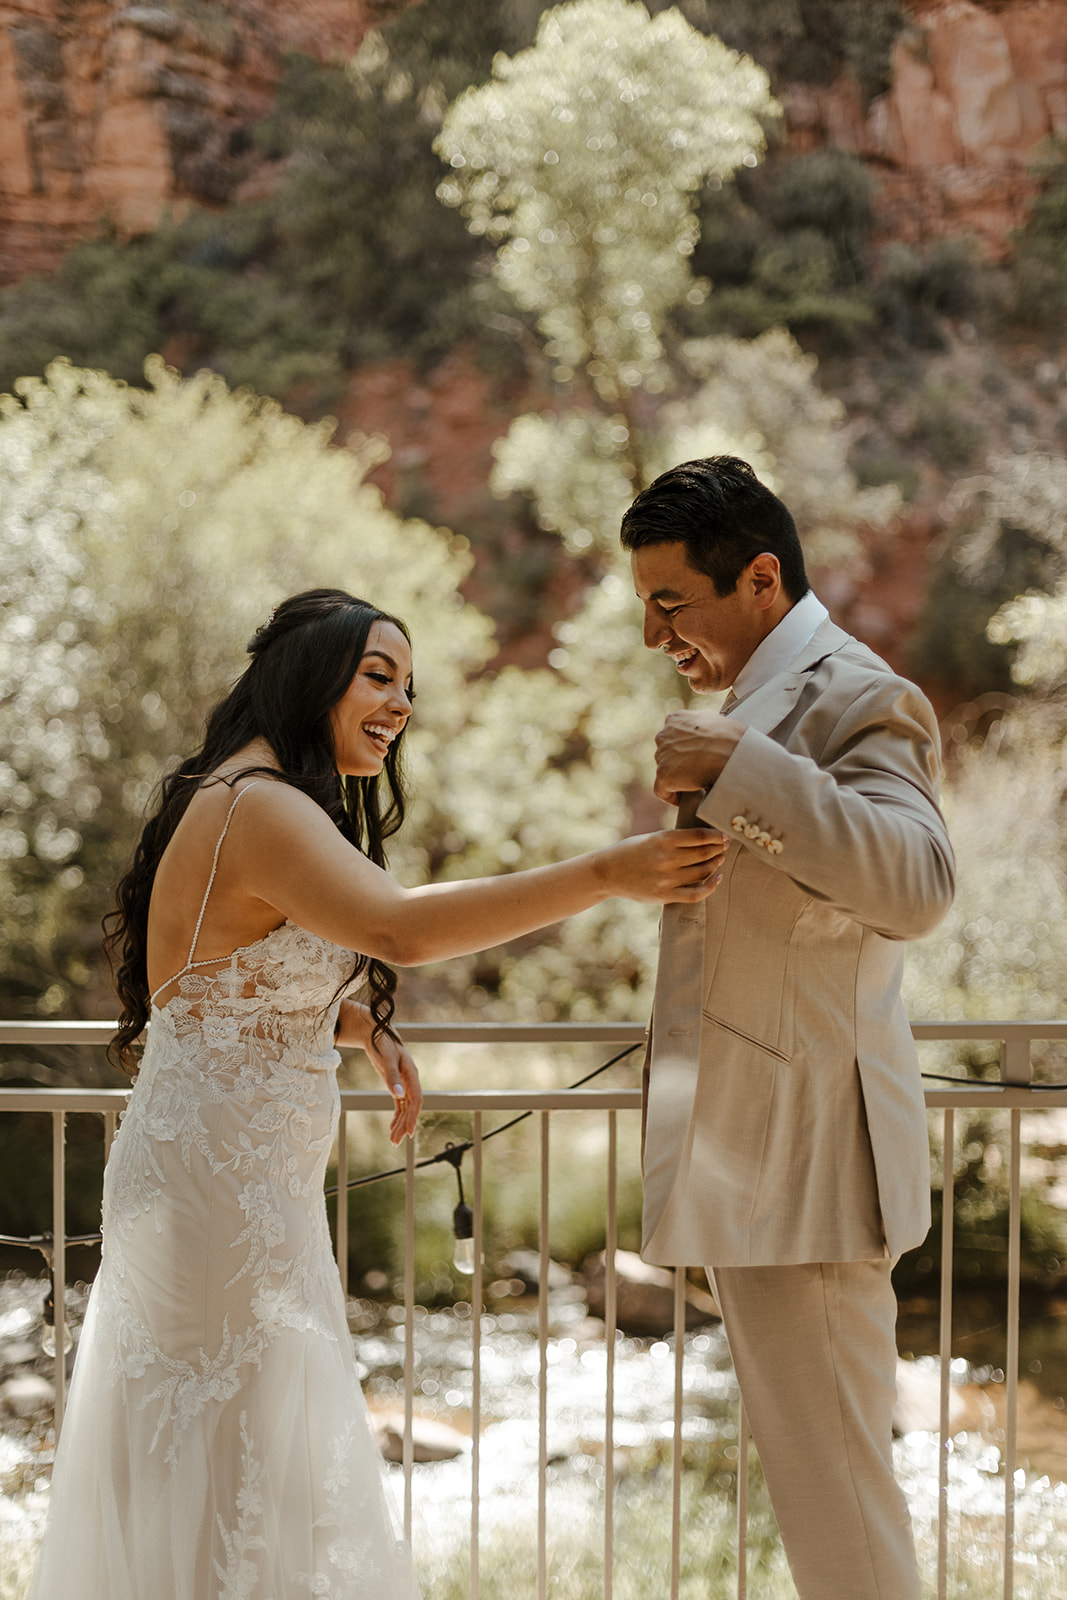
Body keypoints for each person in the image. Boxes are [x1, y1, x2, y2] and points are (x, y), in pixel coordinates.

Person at [30, 588, 725, 1600]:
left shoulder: (245, 794)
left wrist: (356, 1023)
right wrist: (608, 871)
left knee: (234, 1475)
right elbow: (395, 928)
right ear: (309, 673)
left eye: (409, 686)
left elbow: (225, 975)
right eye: (378, 675)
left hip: (236, 1197)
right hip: (218, 1207)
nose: (400, 703)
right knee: (231, 1474)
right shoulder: (259, 804)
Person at [621, 458, 955, 1600]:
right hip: (759, 1160)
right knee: (828, 1502)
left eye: (671, 602)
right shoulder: (754, 702)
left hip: (811, 1163)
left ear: (758, 578)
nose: (656, 633)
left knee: (843, 1510)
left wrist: (743, 768)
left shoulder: (857, 692)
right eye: (643, 608)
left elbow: (915, 882)